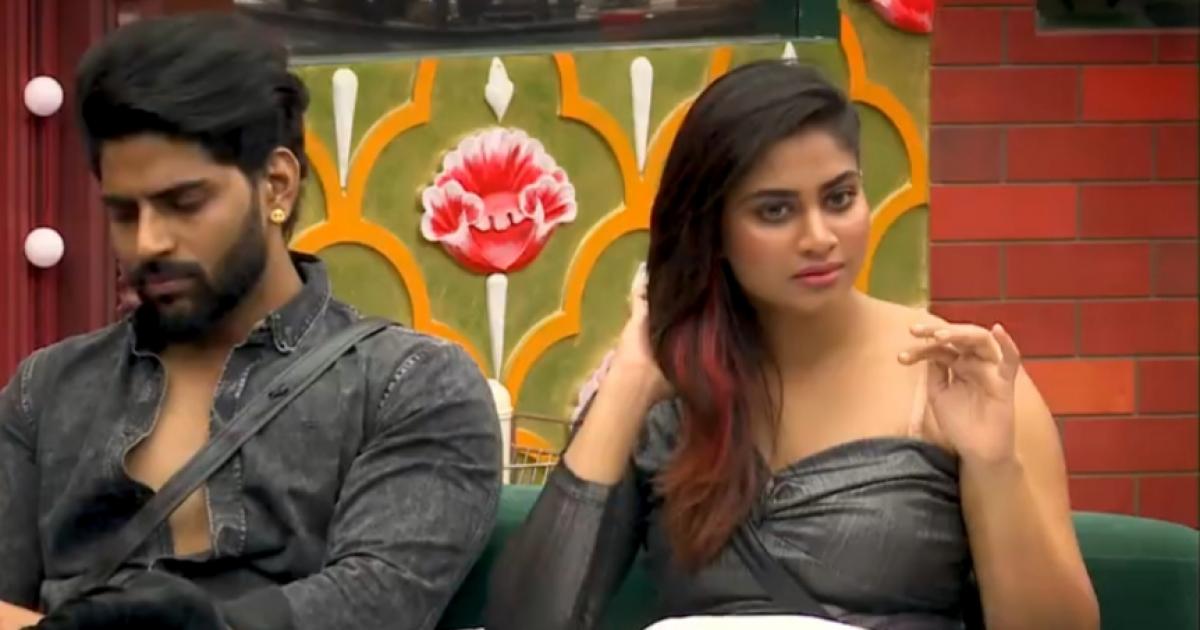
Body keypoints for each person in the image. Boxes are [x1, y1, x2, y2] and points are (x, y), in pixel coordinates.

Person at [486, 61, 1099, 630]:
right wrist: (629, 381)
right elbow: (526, 622)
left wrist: (994, 468)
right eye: (775, 211)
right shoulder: (664, 397)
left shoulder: (960, 380)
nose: (819, 237)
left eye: (840, 198)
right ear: (713, 231)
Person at [0, 14, 500, 630]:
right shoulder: (47, 390)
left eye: (184, 203)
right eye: (125, 213)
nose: (149, 241)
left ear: (277, 185)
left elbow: (372, 606)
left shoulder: (407, 386)